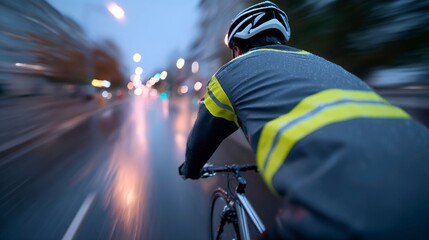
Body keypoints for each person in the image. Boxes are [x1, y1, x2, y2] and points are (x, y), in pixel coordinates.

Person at [179, 1, 429, 239]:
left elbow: (200, 142)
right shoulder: (320, 63)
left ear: (236, 48)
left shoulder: (229, 74)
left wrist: (191, 168)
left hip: (350, 211)